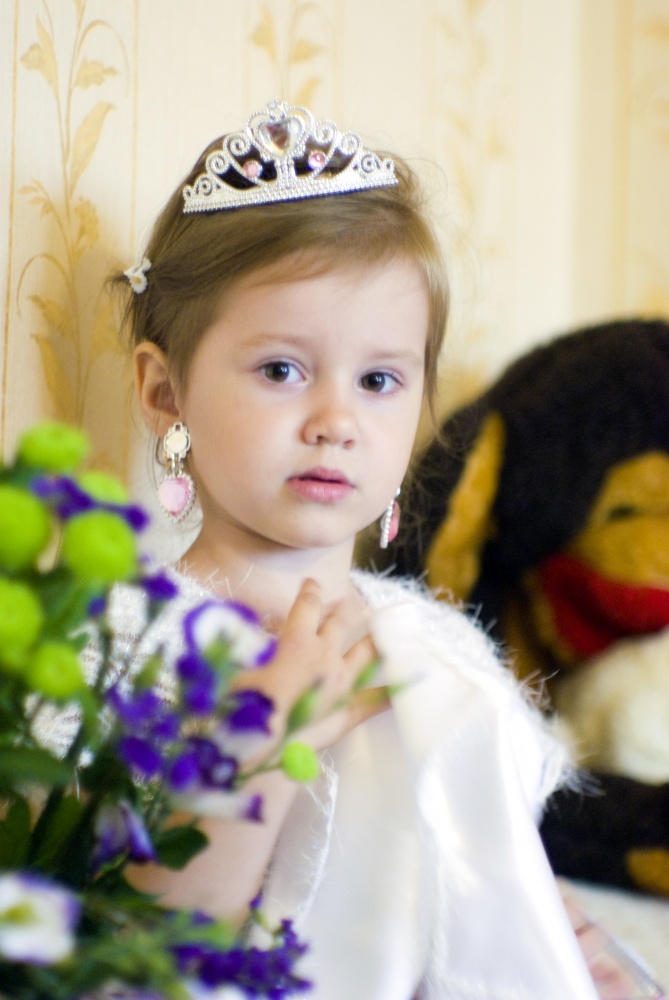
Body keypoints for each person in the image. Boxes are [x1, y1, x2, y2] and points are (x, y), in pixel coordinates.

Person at [114, 101, 599, 999]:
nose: (337, 421)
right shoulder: (130, 646)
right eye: (282, 370)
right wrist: (263, 741)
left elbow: (490, 877)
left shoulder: (435, 646)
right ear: (164, 391)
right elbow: (133, 958)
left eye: (379, 380)